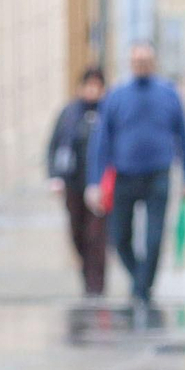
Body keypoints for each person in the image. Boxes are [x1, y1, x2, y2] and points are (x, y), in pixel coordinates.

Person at [85, 43, 185, 306]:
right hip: (125, 176)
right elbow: (101, 141)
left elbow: (184, 137)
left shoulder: (169, 94)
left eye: (146, 60)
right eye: (137, 60)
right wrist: (94, 181)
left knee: (154, 238)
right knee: (119, 237)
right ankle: (140, 281)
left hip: (159, 174)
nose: (142, 64)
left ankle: (142, 290)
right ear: (131, 63)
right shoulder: (117, 96)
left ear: (154, 62)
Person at [47, 67, 108, 296]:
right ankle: (86, 272)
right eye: (88, 85)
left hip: (99, 185)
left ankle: (97, 283)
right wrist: (55, 175)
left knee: (96, 235)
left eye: (96, 86)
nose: (92, 90)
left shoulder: (106, 113)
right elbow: (54, 145)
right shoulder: (69, 113)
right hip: (73, 182)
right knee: (77, 232)